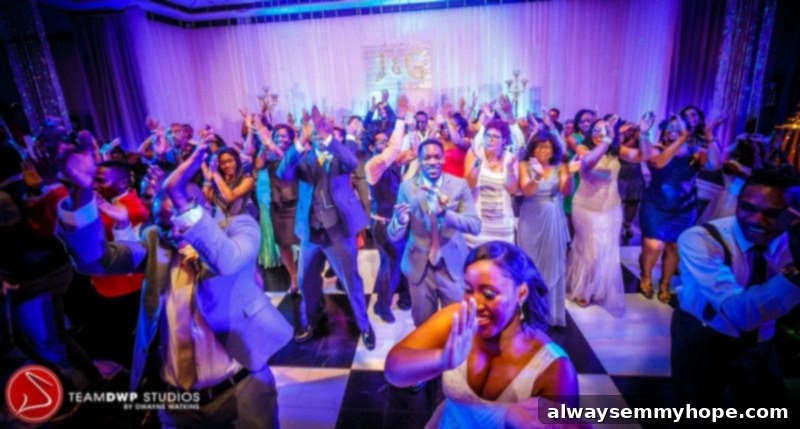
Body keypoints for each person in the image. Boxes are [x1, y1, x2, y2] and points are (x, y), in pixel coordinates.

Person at [57, 134, 292, 428]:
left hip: (242, 388)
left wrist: (178, 198)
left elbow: (227, 260)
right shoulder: (156, 241)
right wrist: (80, 194)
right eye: (164, 225)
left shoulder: (239, 227)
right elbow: (93, 260)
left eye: (178, 222)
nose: (173, 233)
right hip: (176, 401)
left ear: (199, 209)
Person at [385, 241, 578, 428]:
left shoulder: (554, 369)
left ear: (521, 293)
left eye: (489, 294)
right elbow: (393, 371)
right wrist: (441, 359)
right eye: (469, 290)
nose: (474, 304)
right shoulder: (457, 318)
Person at [672, 167, 800, 416]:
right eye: (748, 208)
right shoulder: (701, 239)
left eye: (772, 214)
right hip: (702, 336)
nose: (756, 220)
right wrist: (796, 273)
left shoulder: (791, 240)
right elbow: (739, 314)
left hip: (762, 340)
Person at [0, 126, 101, 392]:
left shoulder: (19, 189)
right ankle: (91, 387)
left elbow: (48, 227)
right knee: (39, 339)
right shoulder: (30, 181)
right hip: (43, 269)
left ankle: (93, 392)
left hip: (39, 273)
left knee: (48, 341)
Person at [277, 111, 375, 349]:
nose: (320, 138)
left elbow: (352, 164)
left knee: (351, 280)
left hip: (339, 230)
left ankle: (364, 325)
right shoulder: (303, 156)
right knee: (305, 280)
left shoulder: (341, 153)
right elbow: (283, 173)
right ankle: (313, 320)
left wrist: (328, 137)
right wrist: (300, 141)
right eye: (317, 135)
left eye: (325, 134)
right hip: (312, 231)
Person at [387, 138, 481, 326]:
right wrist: (399, 222)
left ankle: (452, 356)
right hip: (420, 267)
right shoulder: (407, 187)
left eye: (437, 157)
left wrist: (445, 213)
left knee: (455, 324)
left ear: (443, 159)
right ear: (419, 161)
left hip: (452, 265)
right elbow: (393, 235)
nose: (432, 162)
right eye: (427, 158)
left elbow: (475, 226)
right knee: (423, 326)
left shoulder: (458, 185)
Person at [566, 114, 653, 316]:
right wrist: (608, 139)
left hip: (611, 207)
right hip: (586, 207)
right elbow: (589, 164)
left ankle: (599, 288)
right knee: (589, 249)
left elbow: (644, 156)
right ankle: (584, 288)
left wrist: (645, 133)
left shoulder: (617, 151)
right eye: (596, 130)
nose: (599, 133)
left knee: (605, 250)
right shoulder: (583, 149)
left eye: (604, 130)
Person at [639, 115, 722, 303]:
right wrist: (681, 140)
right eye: (671, 127)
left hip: (684, 208)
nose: (674, 131)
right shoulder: (655, 150)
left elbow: (716, 165)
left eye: (679, 128)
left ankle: (665, 284)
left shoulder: (695, 152)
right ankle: (645, 277)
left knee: (674, 247)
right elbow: (660, 163)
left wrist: (709, 135)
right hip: (656, 205)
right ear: (664, 130)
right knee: (653, 246)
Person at [517, 118, 578, 327]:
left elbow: (566, 191)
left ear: (554, 150)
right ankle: (530, 312)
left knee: (552, 264)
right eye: (539, 147)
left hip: (552, 219)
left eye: (548, 147)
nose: (543, 151)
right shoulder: (524, 165)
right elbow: (526, 191)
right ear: (533, 149)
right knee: (529, 264)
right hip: (530, 219)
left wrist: (568, 171)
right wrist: (537, 175)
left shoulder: (560, 166)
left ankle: (551, 313)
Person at [365, 114, 414, 323]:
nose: (385, 145)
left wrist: (413, 130)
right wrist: (401, 120)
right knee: (391, 266)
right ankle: (381, 305)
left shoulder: (391, 162)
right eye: (380, 142)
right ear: (371, 148)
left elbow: (411, 153)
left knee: (401, 260)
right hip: (384, 225)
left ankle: (404, 298)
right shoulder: (373, 166)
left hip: (397, 221)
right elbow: (393, 151)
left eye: (386, 140)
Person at [464, 108, 519, 248]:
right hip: (478, 222)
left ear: (504, 140)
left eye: (495, 137)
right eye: (488, 136)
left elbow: (512, 190)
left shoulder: (510, 158)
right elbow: (468, 185)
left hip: (502, 224)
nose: (490, 139)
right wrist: (478, 162)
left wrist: (511, 170)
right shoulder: (475, 153)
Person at [202, 145, 255, 219]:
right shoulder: (220, 181)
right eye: (222, 163)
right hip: (224, 224)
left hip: (243, 223)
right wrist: (209, 175)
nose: (227, 165)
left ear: (236, 160)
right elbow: (206, 197)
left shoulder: (247, 180)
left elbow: (230, 197)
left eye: (230, 161)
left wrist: (215, 173)